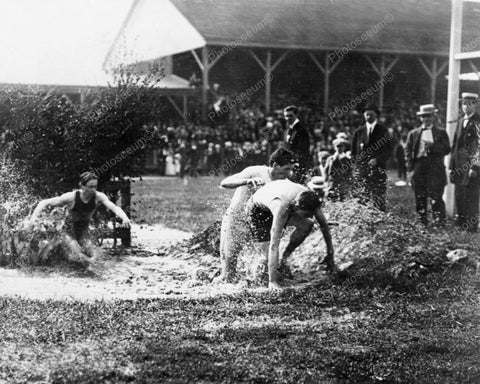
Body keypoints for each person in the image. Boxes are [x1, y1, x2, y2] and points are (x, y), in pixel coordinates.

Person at [216, 148, 297, 283]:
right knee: (228, 275)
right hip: (237, 220)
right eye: (287, 169)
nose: (289, 173)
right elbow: (224, 182)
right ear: (275, 165)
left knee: (263, 268)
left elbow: (290, 207)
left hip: (259, 224)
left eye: (291, 169)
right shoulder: (255, 171)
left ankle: (259, 283)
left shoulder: (285, 181)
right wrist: (246, 181)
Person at [246, 179, 334, 290]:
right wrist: (273, 281)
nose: (312, 216)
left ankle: (284, 258)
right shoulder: (281, 208)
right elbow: (274, 244)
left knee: (307, 224)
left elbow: (324, 226)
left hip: (285, 199)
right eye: (308, 214)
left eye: (313, 213)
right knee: (266, 256)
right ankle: (261, 278)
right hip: (258, 210)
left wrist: (330, 253)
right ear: (297, 208)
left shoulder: (310, 199)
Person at [28, 172, 132, 265]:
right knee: (79, 254)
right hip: (68, 229)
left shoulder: (98, 196)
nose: (93, 190)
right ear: (82, 186)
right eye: (90, 187)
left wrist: (125, 217)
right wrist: (32, 220)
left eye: (95, 187)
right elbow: (43, 203)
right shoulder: (71, 197)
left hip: (83, 229)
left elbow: (114, 207)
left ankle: (91, 270)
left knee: (95, 253)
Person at [405, 104, 450, 226]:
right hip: (419, 167)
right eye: (424, 116)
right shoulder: (413, 134)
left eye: (429, 116)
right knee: (420, 196)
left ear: (433, 117)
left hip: (435, 168)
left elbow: (447, 149)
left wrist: (434, 146)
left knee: (436, 196)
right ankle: (422, 222)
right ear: (421, 118)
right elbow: (408, 152)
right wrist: (410, 170)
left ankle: (439, 222)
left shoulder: (441, 133)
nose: (426, 119)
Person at [351, 103, 392, 211]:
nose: (369, 116)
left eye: (371, 114)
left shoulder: (383, 131)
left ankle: (379, 218)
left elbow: (388, 150)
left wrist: (377, 160)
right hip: (362, 170)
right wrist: (356, 167)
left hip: (378, 170)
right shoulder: (358, 132)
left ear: (376, 116)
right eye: (367, 114)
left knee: (378, 195)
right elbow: (354, 153)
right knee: (362, 195)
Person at [449, 92, 480, 232]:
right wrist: (451, 166)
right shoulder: (461, 121)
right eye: (464, 103)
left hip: (471, 166)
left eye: (470, 103)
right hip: (459, 166)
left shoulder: (478, 122)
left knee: (471, 196)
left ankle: (471, 227)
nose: (467, 106)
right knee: (459, 195)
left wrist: (475, 166)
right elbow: (455, 145)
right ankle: (461, 224)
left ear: (475, 104)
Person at [283, 105, 312, 184]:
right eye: (286, 116)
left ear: (296, 115)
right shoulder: (287, 131)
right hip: (288, 166)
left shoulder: (302, 130)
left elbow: (303, 150)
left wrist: (295, 164)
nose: (288, 118)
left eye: (290, 116)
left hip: (298, 166)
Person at [324, 137, 352, 201]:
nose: (339, 148)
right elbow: (326, 171)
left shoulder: (347, 160)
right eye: (337, 146)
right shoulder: (330, 159)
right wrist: (326, 182)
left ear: (344, 147)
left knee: (342, 202)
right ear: (334, 147)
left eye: (341, 146)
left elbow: (349, 173)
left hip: (343, 186)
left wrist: (347, 184)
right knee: (330, 201)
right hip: (332, 185)